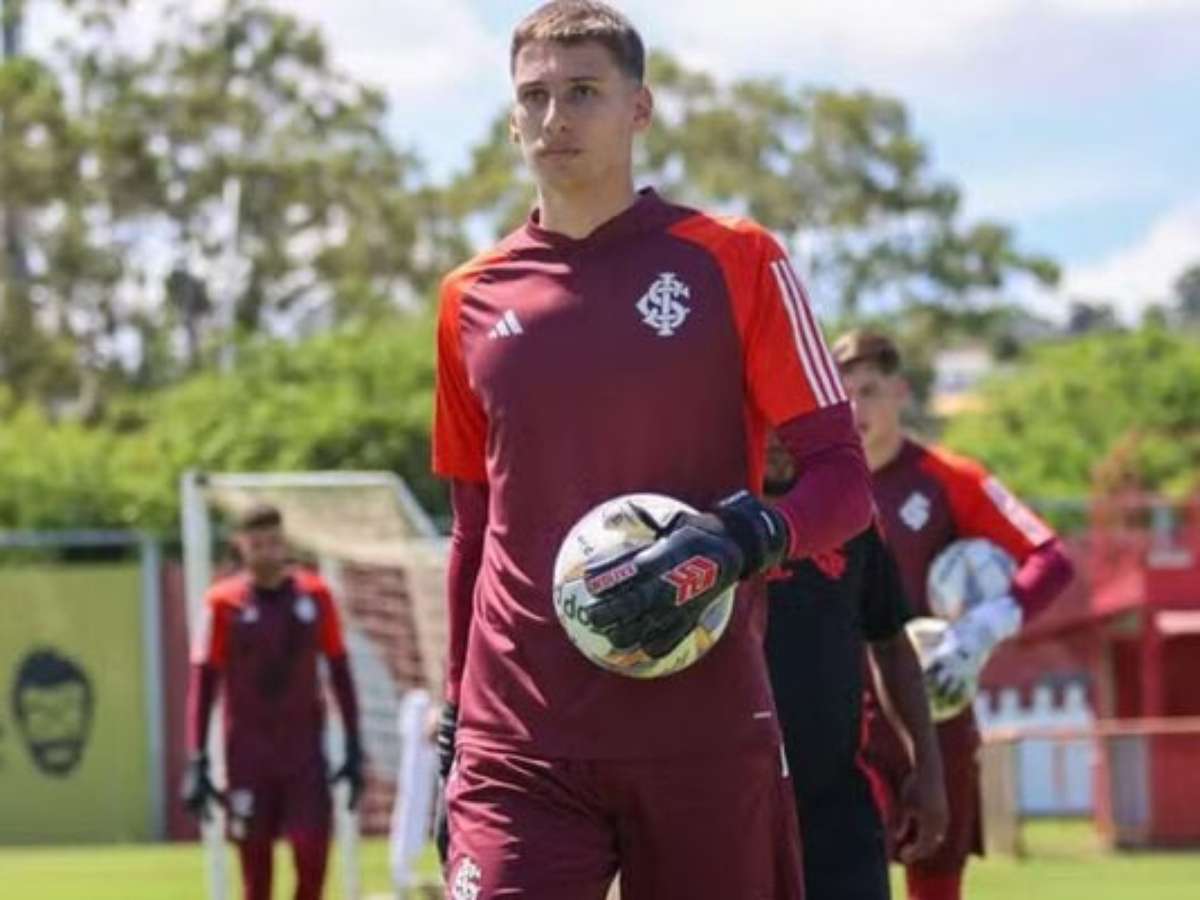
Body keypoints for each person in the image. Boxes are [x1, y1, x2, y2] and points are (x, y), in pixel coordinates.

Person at [431, 2, 874, 897]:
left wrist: (743, 538)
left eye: (583, 92)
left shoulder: (737, 259)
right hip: (520, 736)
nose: (555, 118)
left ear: (640, 108)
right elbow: (474, 531)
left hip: (701, 731)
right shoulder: (469, 298)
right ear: (512, 119)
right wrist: (456, 711)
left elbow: (843, 482)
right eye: (535, 96)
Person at [831, 331, 1075, 900]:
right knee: (845, 877)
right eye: (844, 394)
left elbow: (1051, 558)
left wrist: (985, 626)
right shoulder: (818, 486)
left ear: (900, 391)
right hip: (846, 724)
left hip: (939, 717)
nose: (857, 407)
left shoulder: (949, 478)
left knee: (937, 888)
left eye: (870, 391)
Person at [763, 430, 948, 900]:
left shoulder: (849, 513)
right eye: (763, 418)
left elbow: (891, 642)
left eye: (789, 419)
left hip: (835, 806)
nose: (777, 434)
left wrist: (927, 766)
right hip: (727, 807)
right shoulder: (701, 516)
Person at [182, 504, 363, 900]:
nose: (267, 552)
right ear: (240, 545)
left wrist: (353, 744)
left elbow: (340, 670)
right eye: (257, 543)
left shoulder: (317, 596)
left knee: (311, 857)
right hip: (247, 759)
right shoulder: (221, 603)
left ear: (285, 543)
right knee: (256, 875)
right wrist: (197, 758)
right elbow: (203, 683)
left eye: (274, 542)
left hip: (304, 757)